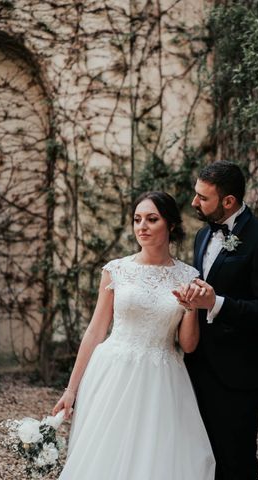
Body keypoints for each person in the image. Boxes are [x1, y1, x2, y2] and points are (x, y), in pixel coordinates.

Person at [52, 191, 216, 480]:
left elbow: (188, 345)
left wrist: (190, 307)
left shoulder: (189, 276)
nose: (142, 226)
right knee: (106, 454)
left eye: (152, 219)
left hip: (162, 378)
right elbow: (95, 331)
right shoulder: (117, 270)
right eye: (137, 219)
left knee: (156, 457)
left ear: (171, 226)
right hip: (113, 372)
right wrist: (71, 390)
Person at [177, 161, 258, 480]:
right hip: (196, 367)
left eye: (203, 198)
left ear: (228, 202)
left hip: (237, 376)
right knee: (202, 457)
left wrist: (217, 303)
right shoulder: (202, 236)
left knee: (235, 461)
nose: (194, 203)